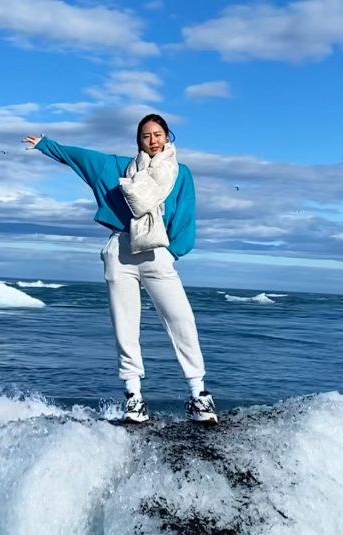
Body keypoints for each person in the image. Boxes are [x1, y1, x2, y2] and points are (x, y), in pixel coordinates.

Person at [23, 114, 218, 424]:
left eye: (158, 134)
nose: (153, 140)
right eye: (146, 136)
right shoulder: (120, 168)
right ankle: (134, 397)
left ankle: (199, 395)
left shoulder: (180, 173)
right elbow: (83, 159)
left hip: (157, 252)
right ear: (139, 140)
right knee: (125, 324)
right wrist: (47, 145)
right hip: (122, 250)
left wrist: (172, 252)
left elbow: (187, 213)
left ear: (167, 136)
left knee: (181, 319)